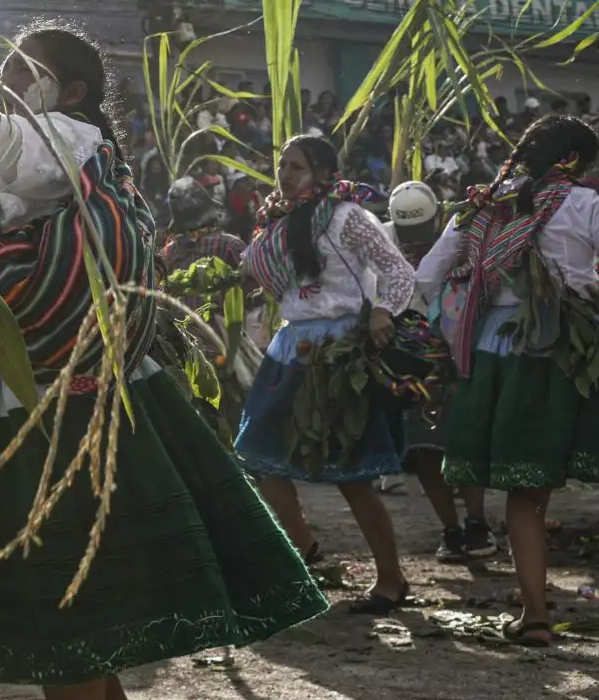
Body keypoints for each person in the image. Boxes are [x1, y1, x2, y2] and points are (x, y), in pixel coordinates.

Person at [0, 22, 325, 700]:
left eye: (28, 71)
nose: (10, 81)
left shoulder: (68, 140)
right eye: (10, 68)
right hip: (0, 381)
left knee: (64, 602)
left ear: (71, 91)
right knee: (66, 610)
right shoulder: (33, 156)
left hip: (43, 388)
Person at [423, 116, 599, 647]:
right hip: (567, 352)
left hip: (498, 355)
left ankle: (535, 616)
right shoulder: (585, 205)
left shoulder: (482, 209)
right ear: (577, 162)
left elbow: (427, 277)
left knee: (526, 496)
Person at [238, 135, 416, 613]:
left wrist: (383, 312)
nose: (285, 174)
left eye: (297, 166)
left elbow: (397, 271)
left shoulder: (347, 216)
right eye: (282, 166)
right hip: (292, 349)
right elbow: (259, 273)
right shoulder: (277, 223)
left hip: (339, 352)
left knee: (351, 475)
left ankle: (391, 579)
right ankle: (305, 545)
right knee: (259, 455)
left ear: (321, 172)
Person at [381, 180, 493, 564]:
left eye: (421, 232)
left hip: (460, 347)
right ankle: (451, 529)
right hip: (410, 359)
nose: (414, 241)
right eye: (407, 233)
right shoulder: (381, 242)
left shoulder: (458, 236)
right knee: (424, 446)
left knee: (464, 437)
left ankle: (477, 523)